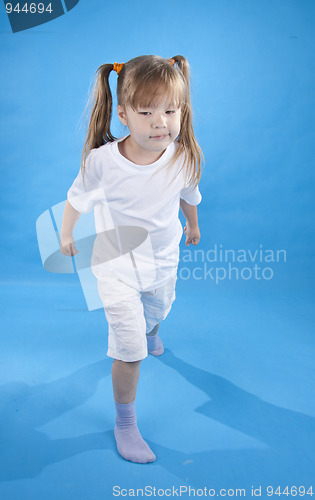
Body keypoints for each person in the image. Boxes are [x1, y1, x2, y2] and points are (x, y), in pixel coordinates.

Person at [60, 55, 203, 464]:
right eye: (146, 112)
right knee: (130, 350)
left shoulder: (182, 157)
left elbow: (187, 196)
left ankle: (152, 329)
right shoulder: (103, 162)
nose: (161, 122)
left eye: (170, 111)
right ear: (123, 114)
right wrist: (67, 232)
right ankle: (126, 422)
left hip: (162, 261)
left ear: (181, 112)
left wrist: (192, 226)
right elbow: (76, 198)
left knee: (159, 311)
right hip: (117, 266)